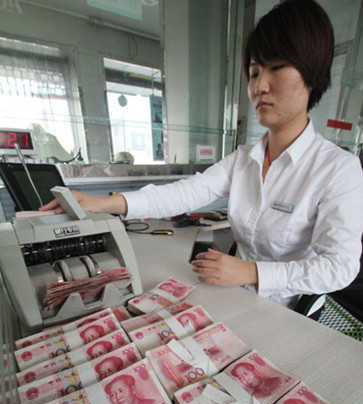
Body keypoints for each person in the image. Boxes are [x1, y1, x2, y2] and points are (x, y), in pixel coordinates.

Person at [40, 0, 363, 310]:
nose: (259, 86)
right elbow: (187, 193)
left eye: (276, 68)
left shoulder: (338, 169)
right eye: (253, 72)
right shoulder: (245, 158)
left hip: (288, 308)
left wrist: (252, 272)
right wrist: (104, 203)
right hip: (237, 294)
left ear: (312, 74)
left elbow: (340, 267)